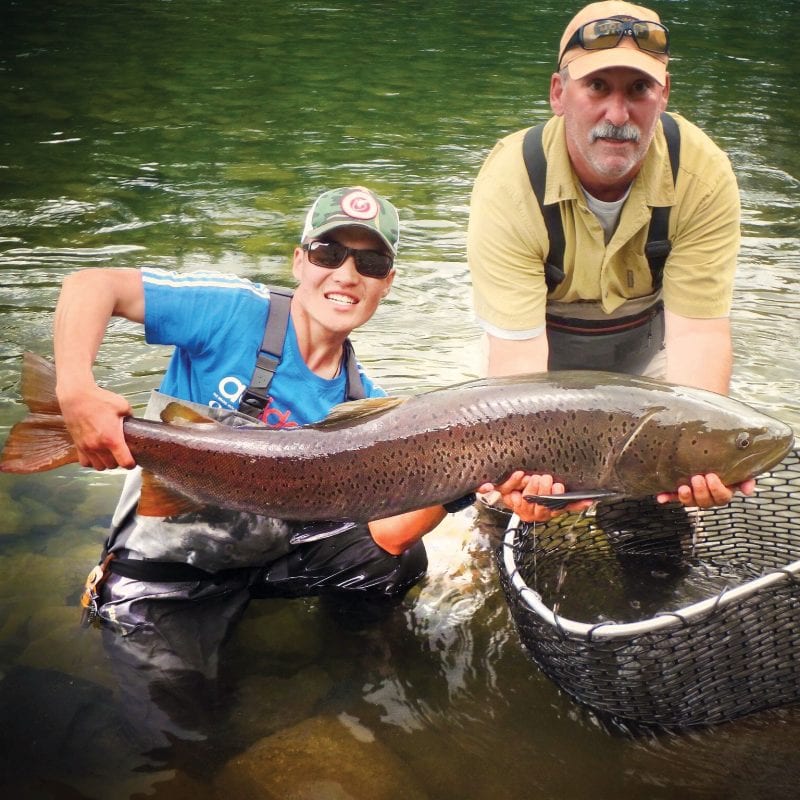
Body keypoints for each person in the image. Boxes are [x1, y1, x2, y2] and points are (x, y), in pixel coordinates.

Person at [53, 186, 475, 748]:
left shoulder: (366, 404)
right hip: (167, 570)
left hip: (267, 562)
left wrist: (468, 480)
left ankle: (346, 662)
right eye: (329, 254)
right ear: (300, 261)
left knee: (397, 565)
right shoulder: (232, 311)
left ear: (386, 283)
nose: (347, 274)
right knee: (180, 741)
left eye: (370, 262)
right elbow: (91, 285)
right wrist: (76, 392)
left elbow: (385, 538)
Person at [467, 1, 753, 520]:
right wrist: (528, 474)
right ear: (559, 93)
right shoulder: (510, 181)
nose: (618, 115)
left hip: (648, 358)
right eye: (598, 87)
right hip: (534, 361)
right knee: (513, 496)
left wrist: (699, 459)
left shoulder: (702, 172)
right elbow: (517, 375)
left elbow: (698, 336)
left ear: (663, 96)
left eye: (638, 90)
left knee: (658, 508)